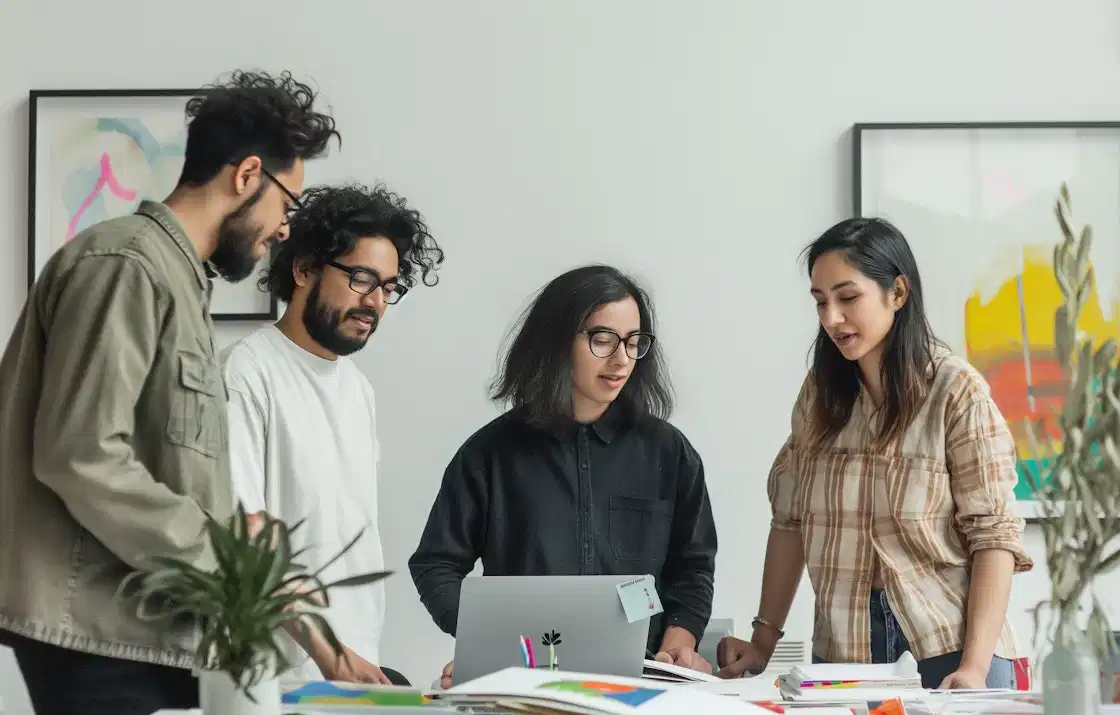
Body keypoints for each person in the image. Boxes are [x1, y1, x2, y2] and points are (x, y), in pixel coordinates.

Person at [0, 70, 339, 715]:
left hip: (142, 628)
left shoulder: (177, 280)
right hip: (99, 634)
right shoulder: (125, 265)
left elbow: (158, 464)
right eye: (287, 206)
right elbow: (81, 455)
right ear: (246, 176)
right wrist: (224, 553)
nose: (284, 230)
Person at [716, 218, 1032, 689]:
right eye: (821, 302)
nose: (831, 318)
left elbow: (994, 538)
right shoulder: (820, 396)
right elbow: (790, 522)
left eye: (848, 298)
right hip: (844, 657)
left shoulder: (955, 391)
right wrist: (763, 642)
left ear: (898, 293)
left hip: (949, 651)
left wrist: (974, 667)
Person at [409, 265, 718, 688]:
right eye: (602, 339)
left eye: (633, 342)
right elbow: (436, 563)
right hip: (522, 681)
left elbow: (693, 566)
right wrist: (485, 642)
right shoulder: (490, 454)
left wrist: (681, 638)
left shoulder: (670, 452)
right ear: (557, 341)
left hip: (643, 682)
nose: (621, 359)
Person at [221, 183, 443, 685]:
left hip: (352, 671)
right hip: (269, 679)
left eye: (389, 288)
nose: (377, 303)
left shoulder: (357, 390)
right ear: (303, 269)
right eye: (363, 279)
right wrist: (330, 653)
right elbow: (243, 539)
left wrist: (351, 658)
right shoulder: (246, 372)